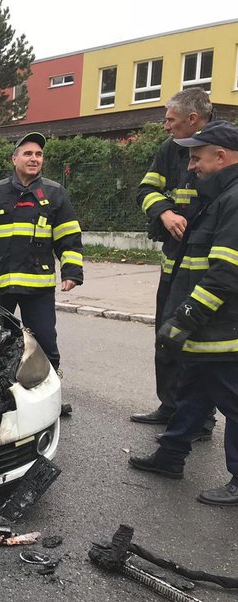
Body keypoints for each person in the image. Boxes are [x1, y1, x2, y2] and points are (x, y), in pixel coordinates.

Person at [128, 121, 238, 506]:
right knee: (193, 391)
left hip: (223, 331)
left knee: (232, 401)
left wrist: (185, 317)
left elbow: (226, 274)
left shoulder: (234, 199)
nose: (190, 166)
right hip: (208, 329)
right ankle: (170, 457)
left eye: (196, 158)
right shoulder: (219, 195)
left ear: (220, 157)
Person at [0, 131, 84, 375]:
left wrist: (72, 271)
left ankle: (50, 392)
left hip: (37, 287)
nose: (34, 158)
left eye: (39, 154)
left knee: (45, 343)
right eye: (28, 154)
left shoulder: (54, 193)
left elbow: (69, 237)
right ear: (14, 159)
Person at [130, 88, 215, 440]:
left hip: (209, 268)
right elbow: (145, 189)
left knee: (198, 342)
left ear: (192, 120)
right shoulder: (169, 150)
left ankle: (200, 419)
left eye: (170, 119)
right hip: (173, 263)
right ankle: (169, 406)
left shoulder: (221, 145)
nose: (165, 125)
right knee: (166, 335)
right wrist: (163, 211)